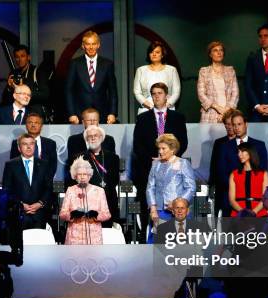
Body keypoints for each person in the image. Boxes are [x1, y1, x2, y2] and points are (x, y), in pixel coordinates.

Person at [133, 83, 188, 233]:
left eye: (160, 93)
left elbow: (183, 142)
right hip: (148, 168)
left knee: (173, 205)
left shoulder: (178, 117)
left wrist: (169, 158)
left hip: (172, 169)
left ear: (167, 96)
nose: (157, 96)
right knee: (150, 205)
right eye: (154, 94)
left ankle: (177, 238)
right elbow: (137, 145)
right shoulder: (143, 118)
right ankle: (148, 238)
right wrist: (152, 160)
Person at [215, 110, 268, 216]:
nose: (236, 128)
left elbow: (262, 169)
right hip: (232, 199)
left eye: (239, 124)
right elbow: (221, 173)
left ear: (246, 124)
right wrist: (237, 187)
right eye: (234, 125)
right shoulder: (224, 147)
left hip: (256, 201)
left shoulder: (259, 145)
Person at [66, 125, 120, 226]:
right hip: (87, 202)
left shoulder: (113, 158)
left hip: (108, 201)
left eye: (96, 135)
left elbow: (115, 180)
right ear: (86, 139)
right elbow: (74, 181)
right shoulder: (79, 157)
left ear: (101, 138)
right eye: (90, 136)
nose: (93, 138)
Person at [65, 30, 117, 124]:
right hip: (79, 115)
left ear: (98, 45)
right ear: (83, 45)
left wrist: (112, 113)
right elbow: (69, 90)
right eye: (88, 44)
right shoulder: (75, 64)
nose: (91, 47)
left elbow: (113, 91)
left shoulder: (108, 64)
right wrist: (71, 113)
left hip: (102, 115)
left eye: (94, 44)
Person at [2, 133, 53, 229]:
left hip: (39, 214)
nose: (29, 147)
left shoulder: (44, 165)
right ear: (19, 148)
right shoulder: (10, 165)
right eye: (25, 144)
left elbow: (49, 188)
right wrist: (21, 204)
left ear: (35, 146)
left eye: (32, 144)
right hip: (18, 213)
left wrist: (40, 203)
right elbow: (7, 189)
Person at [146, 134, 195, 229]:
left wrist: (177, 203)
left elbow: (191, 188)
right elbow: (150, 188)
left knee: (179, 241)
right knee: (158, 241)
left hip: (179, 211)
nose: (160, 151)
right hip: (159, 211)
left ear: (173, 149)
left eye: (163, 148)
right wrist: (153, 209)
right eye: (159, 148)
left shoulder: (183, 163)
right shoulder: (155, 164)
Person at [59, 158, 111, 244]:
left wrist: (96, 215)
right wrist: (72, 215)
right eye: (79, 174)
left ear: (89, 175)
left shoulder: (99, 191)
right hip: (74, 238)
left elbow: (107, 214)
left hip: (94, 238)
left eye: (85, 174)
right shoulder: (70, 190)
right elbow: (62, 214)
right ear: (75, 176)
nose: (82, 177)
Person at [0, 44, 51, 118]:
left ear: (29, 57)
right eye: (17, 57)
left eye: (22, 56)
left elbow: (45, 94)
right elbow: (5, 100)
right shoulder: (13, 73)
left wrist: (24, 92)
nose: (20, 59)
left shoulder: (37, 72)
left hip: (34, 114)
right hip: (17, 114)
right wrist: (9, 87)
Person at [133, 41, 181, 115]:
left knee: (165, 127)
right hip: (146, 110)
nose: (154, 54)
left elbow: (176, 92)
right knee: (147, 126)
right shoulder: (141, 70)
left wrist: (166, 105)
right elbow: (137, 92)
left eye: (157, 52)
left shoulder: (172, 70)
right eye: (151, 52)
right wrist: (149, 105)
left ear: (162, 55)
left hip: (167, 109)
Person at [197, 41, 239, 123]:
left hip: (228, 113)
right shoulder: (204, 71)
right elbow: (201, 94)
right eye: (215, 50)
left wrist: (225, 111)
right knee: (207, 136)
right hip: (209, 113)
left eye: (221, 50)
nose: (219, 52)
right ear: (210, 54)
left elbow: (235, 94)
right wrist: (218, 108)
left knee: (228, 135)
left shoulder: (230, 71)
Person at [9, 112, 57, 179]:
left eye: (36, 123)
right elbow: (13, 164)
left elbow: (53, 166)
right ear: (26, 125)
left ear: (41, 126)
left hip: (44, 184)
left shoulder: (50, 144)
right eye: (30, 122)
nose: (33, 125)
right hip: (22, 183)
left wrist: (44, 181)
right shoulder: (16, 143)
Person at [229, 142, 268, 217]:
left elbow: (265, 198)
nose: (239, 155)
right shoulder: (234, 174)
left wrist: (254, 212)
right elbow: (232, 200)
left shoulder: (263, 174)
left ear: (250, 152)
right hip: (238, 214)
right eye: (238, 152)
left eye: (242, 151)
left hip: (259, 213)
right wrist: (243, 212)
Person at [209, 109, 237, 189]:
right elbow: (214, 166)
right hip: (221, 186)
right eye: (227, 124)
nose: (230, 127)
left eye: (232, 124)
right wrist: (211, 185)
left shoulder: (243, 142)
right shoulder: (219, 143)